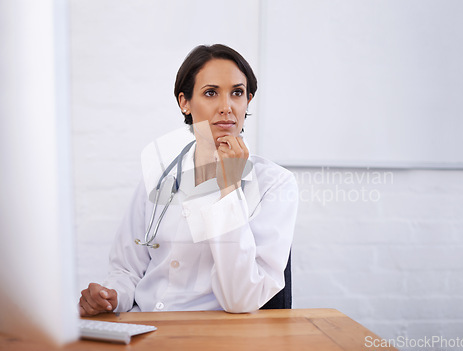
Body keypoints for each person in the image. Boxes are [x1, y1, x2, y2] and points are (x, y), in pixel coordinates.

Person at [79, 44, 298, 315]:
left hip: (214, 334)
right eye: (210, 93)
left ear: (248, 101)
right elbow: (127, 269)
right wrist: (112, 297)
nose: (226, 107)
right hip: (144, 326)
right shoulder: (158, 178)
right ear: (185, 103)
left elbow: (241, 299)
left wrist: (229, 189)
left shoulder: (274, 184)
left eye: (237, 93)